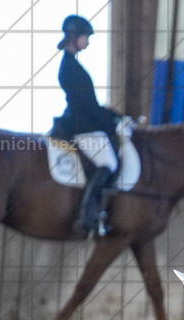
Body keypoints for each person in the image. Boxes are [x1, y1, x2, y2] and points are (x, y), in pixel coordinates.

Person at [52, 15, 121, 238]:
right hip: (81, 125)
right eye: (86, 37)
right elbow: (86, 105)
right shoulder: (70, 67)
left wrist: (114, 116)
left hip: (83, 121)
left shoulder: (73, 64)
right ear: (75, 37)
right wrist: (111, 120)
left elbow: (90, 103)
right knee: (108, 163)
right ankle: (85, 215)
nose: (88, 41)